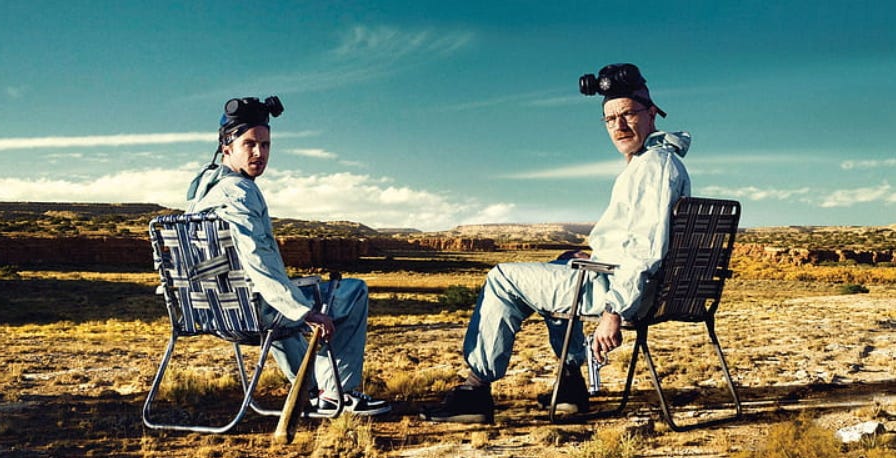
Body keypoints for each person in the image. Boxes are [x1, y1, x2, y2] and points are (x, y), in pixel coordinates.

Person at [420, 63, 691, 423]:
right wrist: (591, 255)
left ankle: (475, 390)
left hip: (624, 294)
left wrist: (613, 312)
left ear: (652, 113)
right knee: (561, 266)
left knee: (503, 278)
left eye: (627, 114)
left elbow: (644, 250)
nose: (619, 126)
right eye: (610, 119)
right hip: (628, 284)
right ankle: (570, 387)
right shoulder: (652, 162)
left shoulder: (653, 167)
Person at [185, 96, 390, 416]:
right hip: (253, 315)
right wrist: (303, 311)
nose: (259, 153)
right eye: (249, 144)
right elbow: (258, 258)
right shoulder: (240, 191)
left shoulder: (202, 192)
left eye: (265, 145)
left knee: (279, 296)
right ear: (226, 147)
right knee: (353, 291)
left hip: (213, 313)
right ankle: (338, 393)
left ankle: (311, 390)